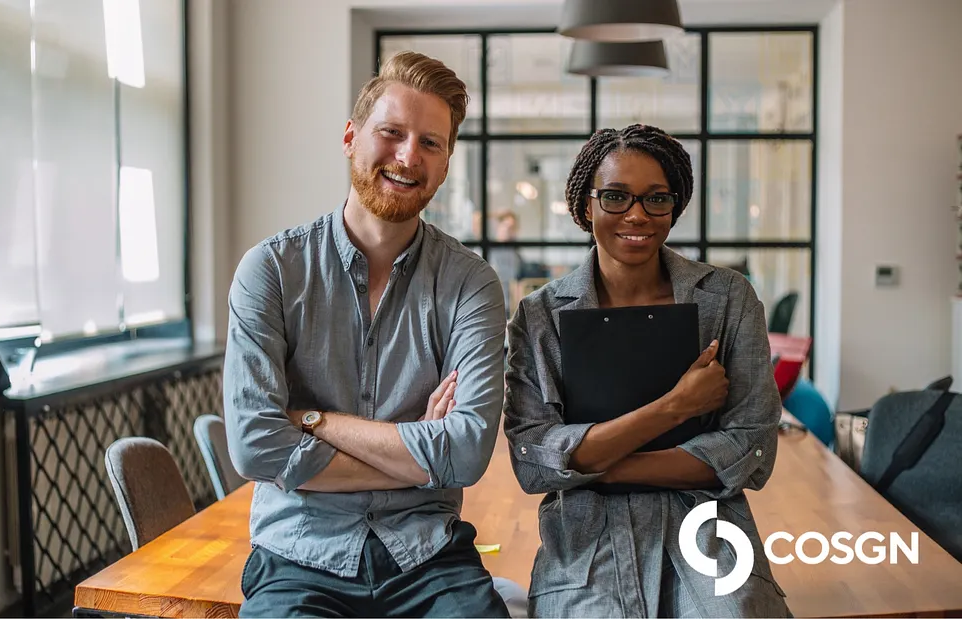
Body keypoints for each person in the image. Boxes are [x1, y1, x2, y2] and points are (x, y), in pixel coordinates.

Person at [223, 50, 510, 618]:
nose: (409, 156)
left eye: (431, 143)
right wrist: (420, 454)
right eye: (392, 132)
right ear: (352, 136)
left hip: (430, 558)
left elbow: (468, 451)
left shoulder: (471, 284)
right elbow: (255, 445)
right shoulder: (272, 271)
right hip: (297, 557)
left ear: (447, 162)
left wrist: (313, 421)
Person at [503, 124, 790, 618]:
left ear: (674, 207)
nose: (636, 214)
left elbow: (753, 445)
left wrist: (592, 466)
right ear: (585, 205)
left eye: (656, 199)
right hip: (585, 546)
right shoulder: (540, 315)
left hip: (708, 531)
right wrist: (676, 407)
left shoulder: (726, 298)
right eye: (615, 196)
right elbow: (532, 459)